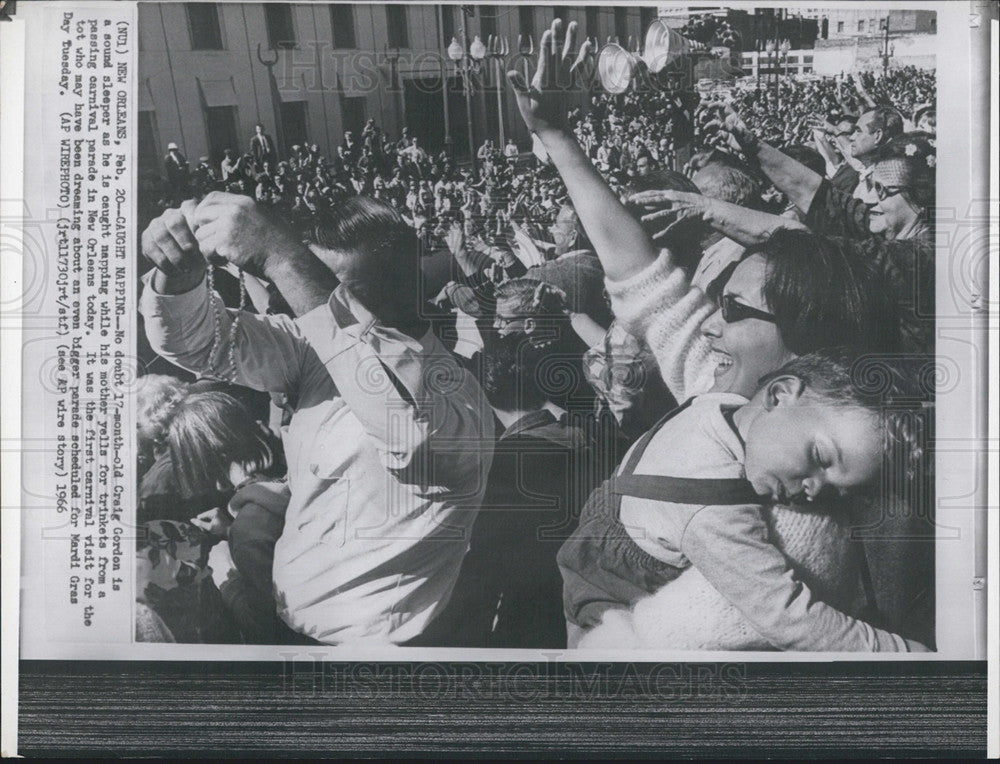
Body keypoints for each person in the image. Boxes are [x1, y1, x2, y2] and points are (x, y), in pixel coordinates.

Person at [506, 19, 931, 645]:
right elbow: (640, 274)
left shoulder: (859, 508)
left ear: (803, 355)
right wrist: (554, 134)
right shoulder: (737, 391)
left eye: (733, 312)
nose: (707, 326)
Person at [139, 193, 495, 644]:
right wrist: (182, 274)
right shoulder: (312, 354)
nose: (310, 306)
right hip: (291, 629)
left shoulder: (457, 399)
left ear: (407, 289)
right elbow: (194, 343)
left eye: (333, 292)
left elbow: (409, 434)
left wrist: (283, 258)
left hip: (378, 659)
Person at [572, 349, 930, 651]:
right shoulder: (711, 505)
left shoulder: (724, 406)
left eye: (839, 490)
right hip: (613, 586)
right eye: (820, 458)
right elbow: (785, 616)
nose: (816, 492)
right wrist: (904, 652)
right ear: (779, 396)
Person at [422, 281, 594, 648]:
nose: (497, 328)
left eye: (504, 321)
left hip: (525, 615)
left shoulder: (511, 461)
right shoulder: (579, 429)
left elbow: (487, 564)